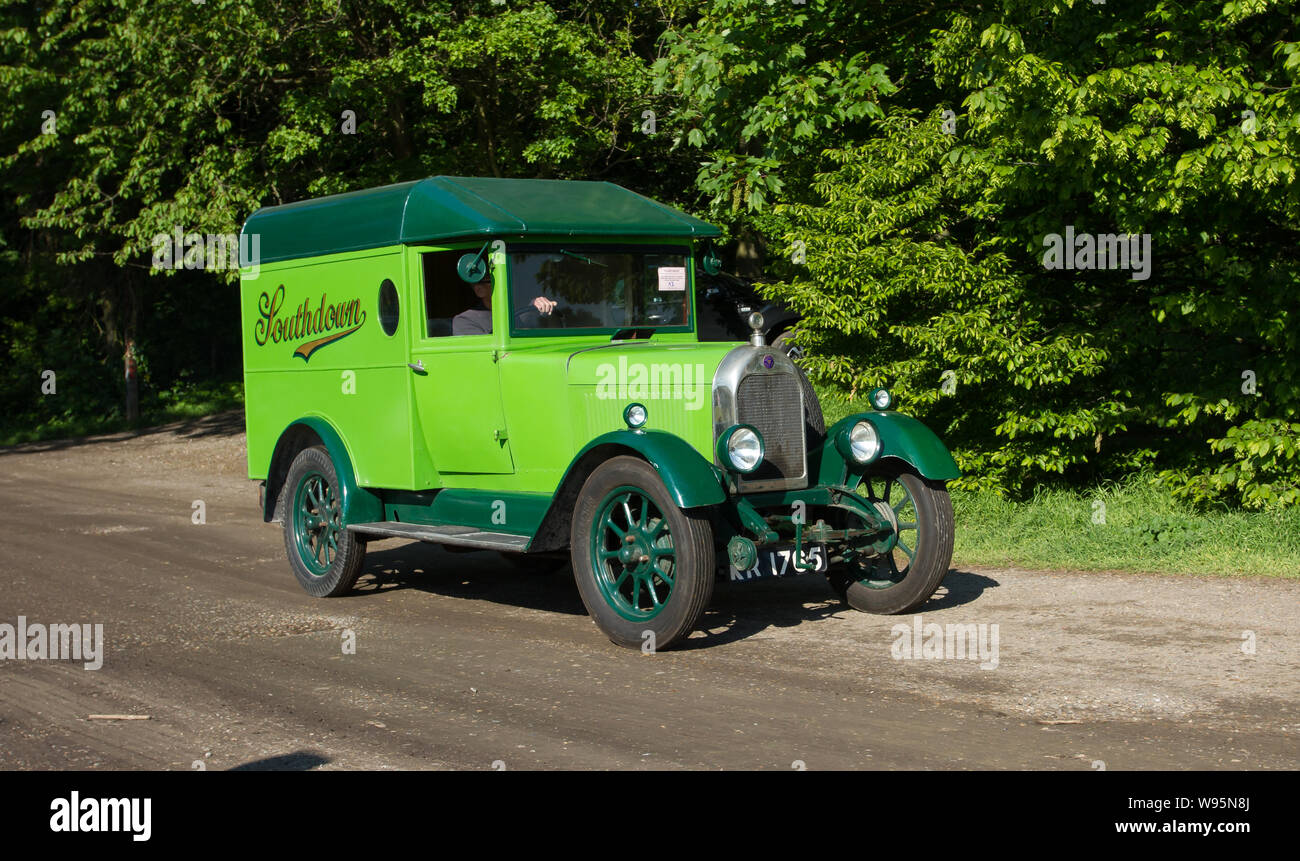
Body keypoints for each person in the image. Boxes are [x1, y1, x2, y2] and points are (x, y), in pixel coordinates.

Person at [452, 271, 557, 335]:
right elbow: (484, 356)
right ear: (479, 290)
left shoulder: (519, 312)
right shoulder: (465, 320)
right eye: (496, 281)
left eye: (509, 279)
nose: (507, 285)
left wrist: (538, 306)